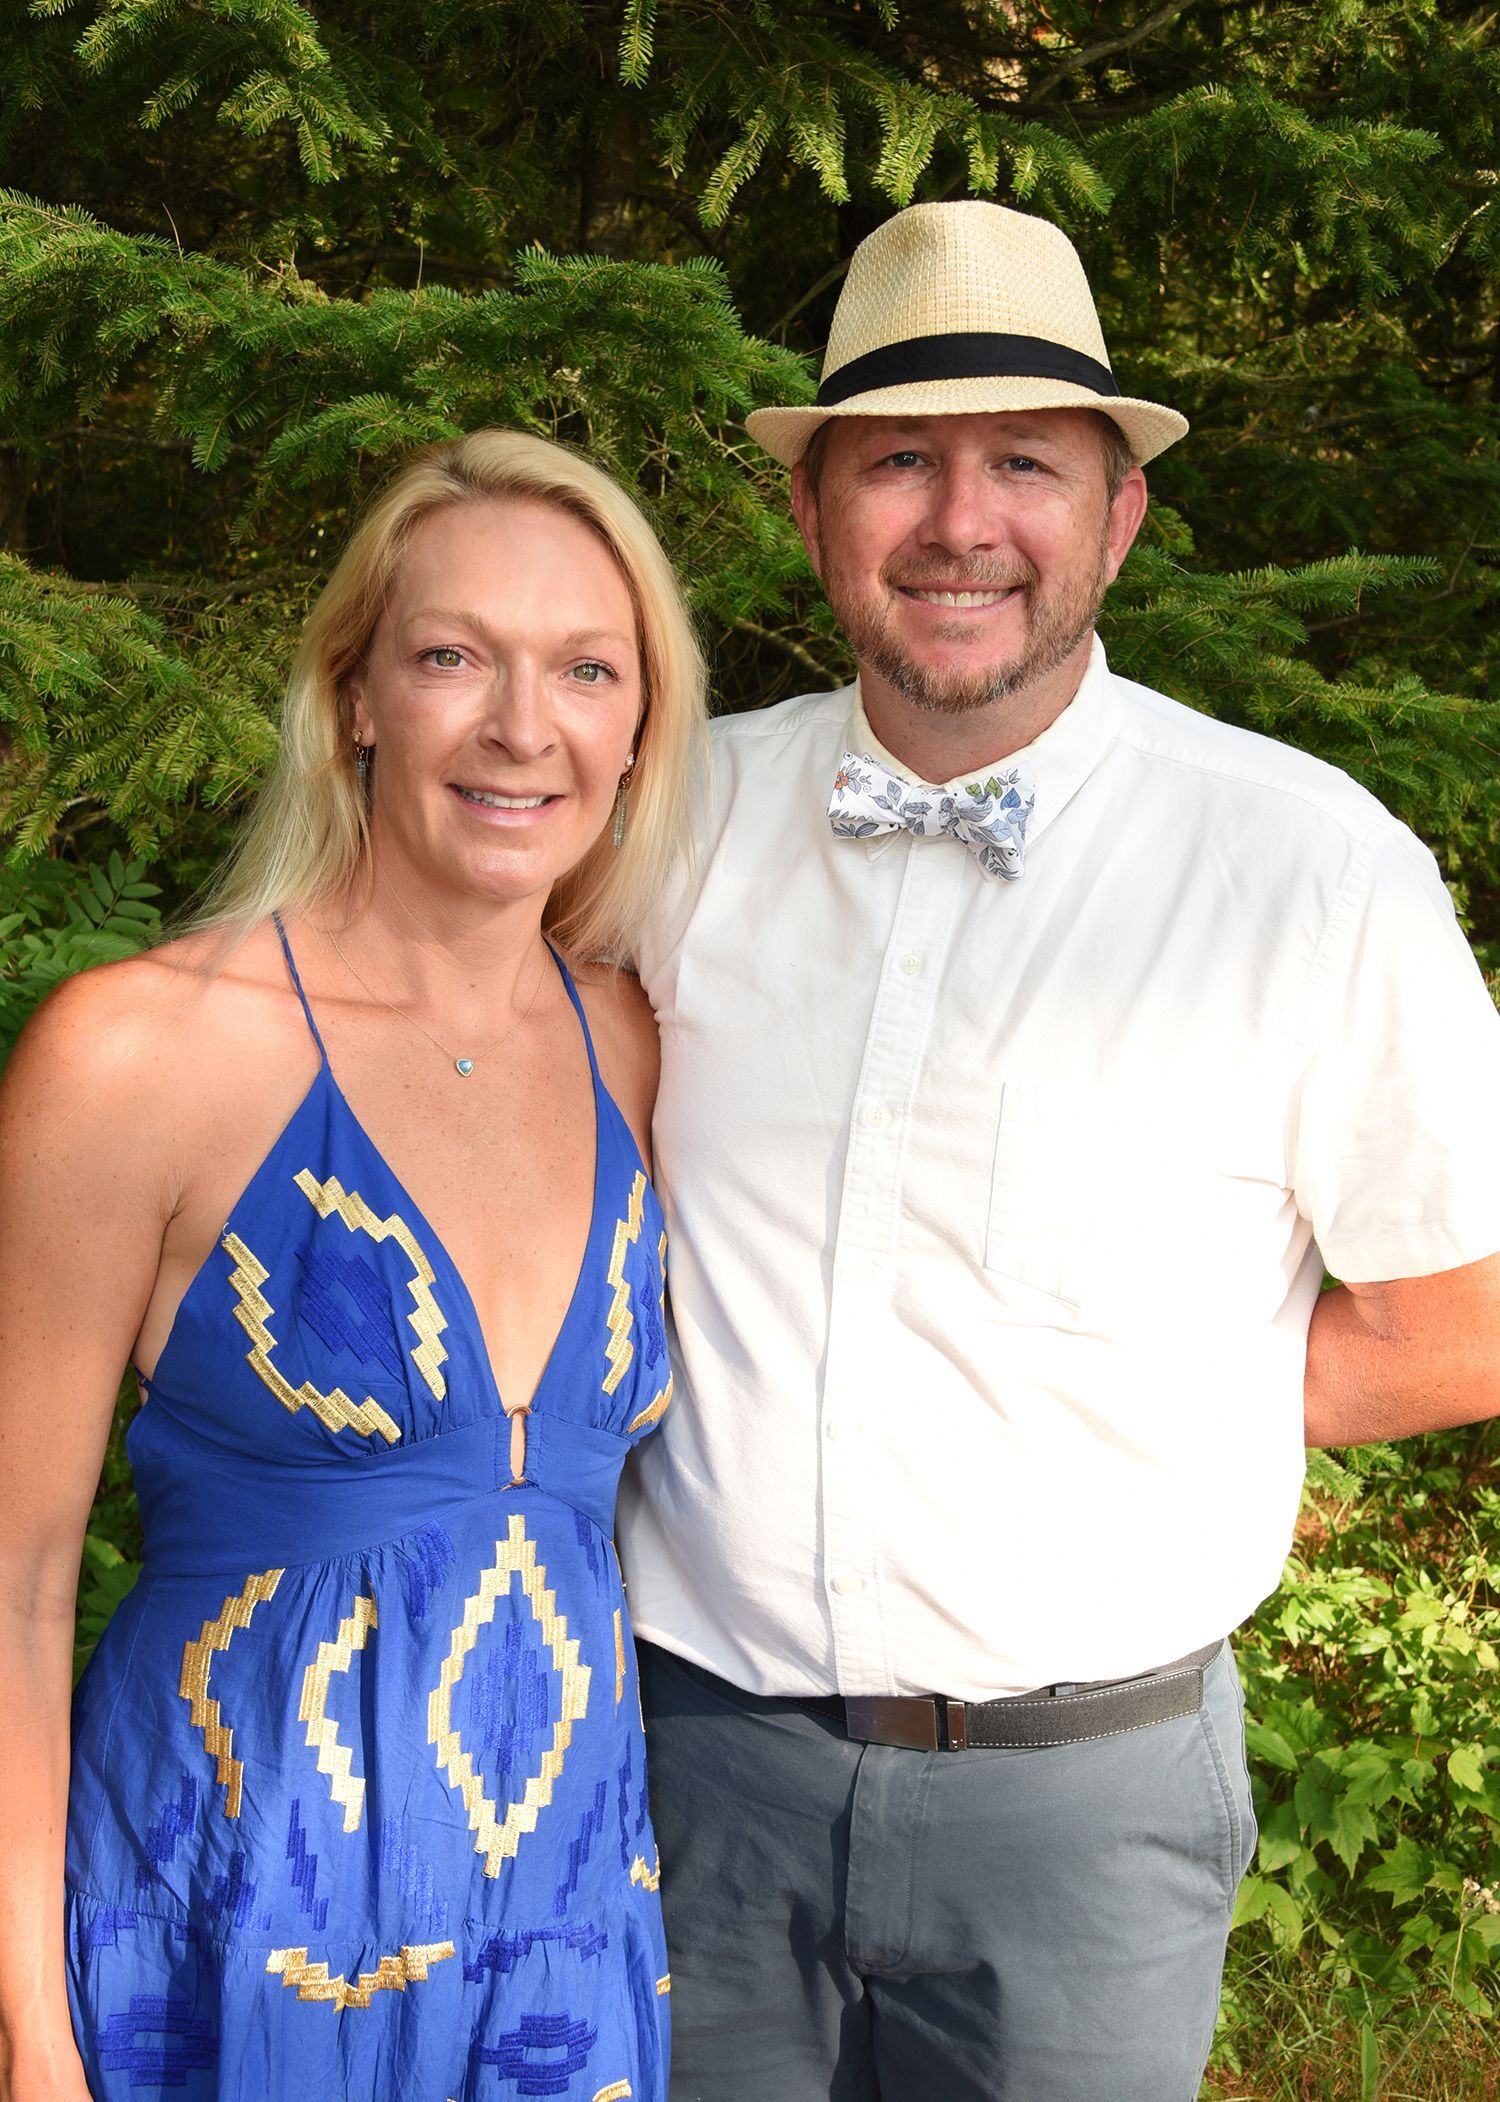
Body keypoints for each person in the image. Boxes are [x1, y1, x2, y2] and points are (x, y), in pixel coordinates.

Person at [618, 201, 1500, 2100]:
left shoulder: (1308, 869)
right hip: (695, 1776)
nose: (960, 521)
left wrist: (1200, 1392)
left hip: (1084, 1820)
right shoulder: (665, 822)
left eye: (1026, 461)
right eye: (899, 463)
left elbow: (1471, 1313)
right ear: (812, 511)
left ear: (1118, 517)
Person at [0, 429, 705, 2102]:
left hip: (559, 1957)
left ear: (637, 726)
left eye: (586, 668)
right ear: (357, 695)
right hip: (218, 1949)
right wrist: (30, 2036)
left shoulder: (628, 1043)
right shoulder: (145, 1053)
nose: (522, 726)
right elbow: (14, 1581)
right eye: (455, 655)